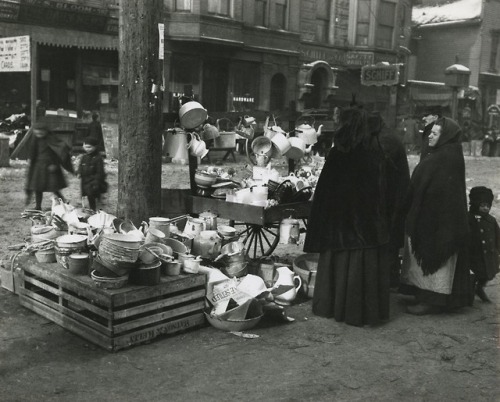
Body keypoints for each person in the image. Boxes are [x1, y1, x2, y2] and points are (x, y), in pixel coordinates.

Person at [303, 106, 392, 327]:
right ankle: (361, 312)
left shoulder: (340, 153)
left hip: (340, 226)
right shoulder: (375, 151)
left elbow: (325, 192)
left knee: (339, 264)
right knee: (361, 267)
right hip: (368, 225)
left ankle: (333, 306)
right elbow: (383, 190)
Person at [401, 117, 475, 315]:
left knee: (435, 258)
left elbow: (428, 183)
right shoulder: (447, 153)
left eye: (435, 134)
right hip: (435, 216)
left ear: (446, 136)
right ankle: (423, 294)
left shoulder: (444, 157)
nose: (430, 137)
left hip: (438, 219)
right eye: (430, 133)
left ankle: (431, 299)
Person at [369, 112, 411, 289]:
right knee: (389, 237)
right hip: (391, 194)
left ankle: (389, 279)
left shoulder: (386, 139)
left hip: (394, 196)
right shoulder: (383, 135)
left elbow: (377, 163)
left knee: (389, 237)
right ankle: (389, 278)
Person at [25, 122, 74, 210]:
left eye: (41, 132)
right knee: (37, 188)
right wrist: (30, 160)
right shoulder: (35, 139)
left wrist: (54, 164)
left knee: (54, 187)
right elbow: (32, 151)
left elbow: (59, 151)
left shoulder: (52, 138)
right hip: (38, 167)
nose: (39, 134)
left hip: (50, 166)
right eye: (37, 132)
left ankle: (63, 201)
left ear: (46, 131)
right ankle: (38, 206)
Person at [468, 186, 500, 303]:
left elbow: (497, 236)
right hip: (475, 255)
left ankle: (479, 288)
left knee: (488, 274)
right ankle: (470, 293)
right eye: (482, 206)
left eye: (488, 206)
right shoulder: (469, 219)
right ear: (476, 205)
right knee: (474, 275)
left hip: (489, 254)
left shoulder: (491, 220)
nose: (486, 208)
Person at [77, 137, 107, 211]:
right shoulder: (84, 157)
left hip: (93, 180)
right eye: (85, 147)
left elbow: (100, 171)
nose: (87, 149)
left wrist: (97, 181)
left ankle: (93, 209)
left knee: (92, 195)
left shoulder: (98, 158)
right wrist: (79, 172)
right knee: (85, 195)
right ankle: (86, 208)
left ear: (95, 147)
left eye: (89, 147)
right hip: (84, 180)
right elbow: (80, 166)